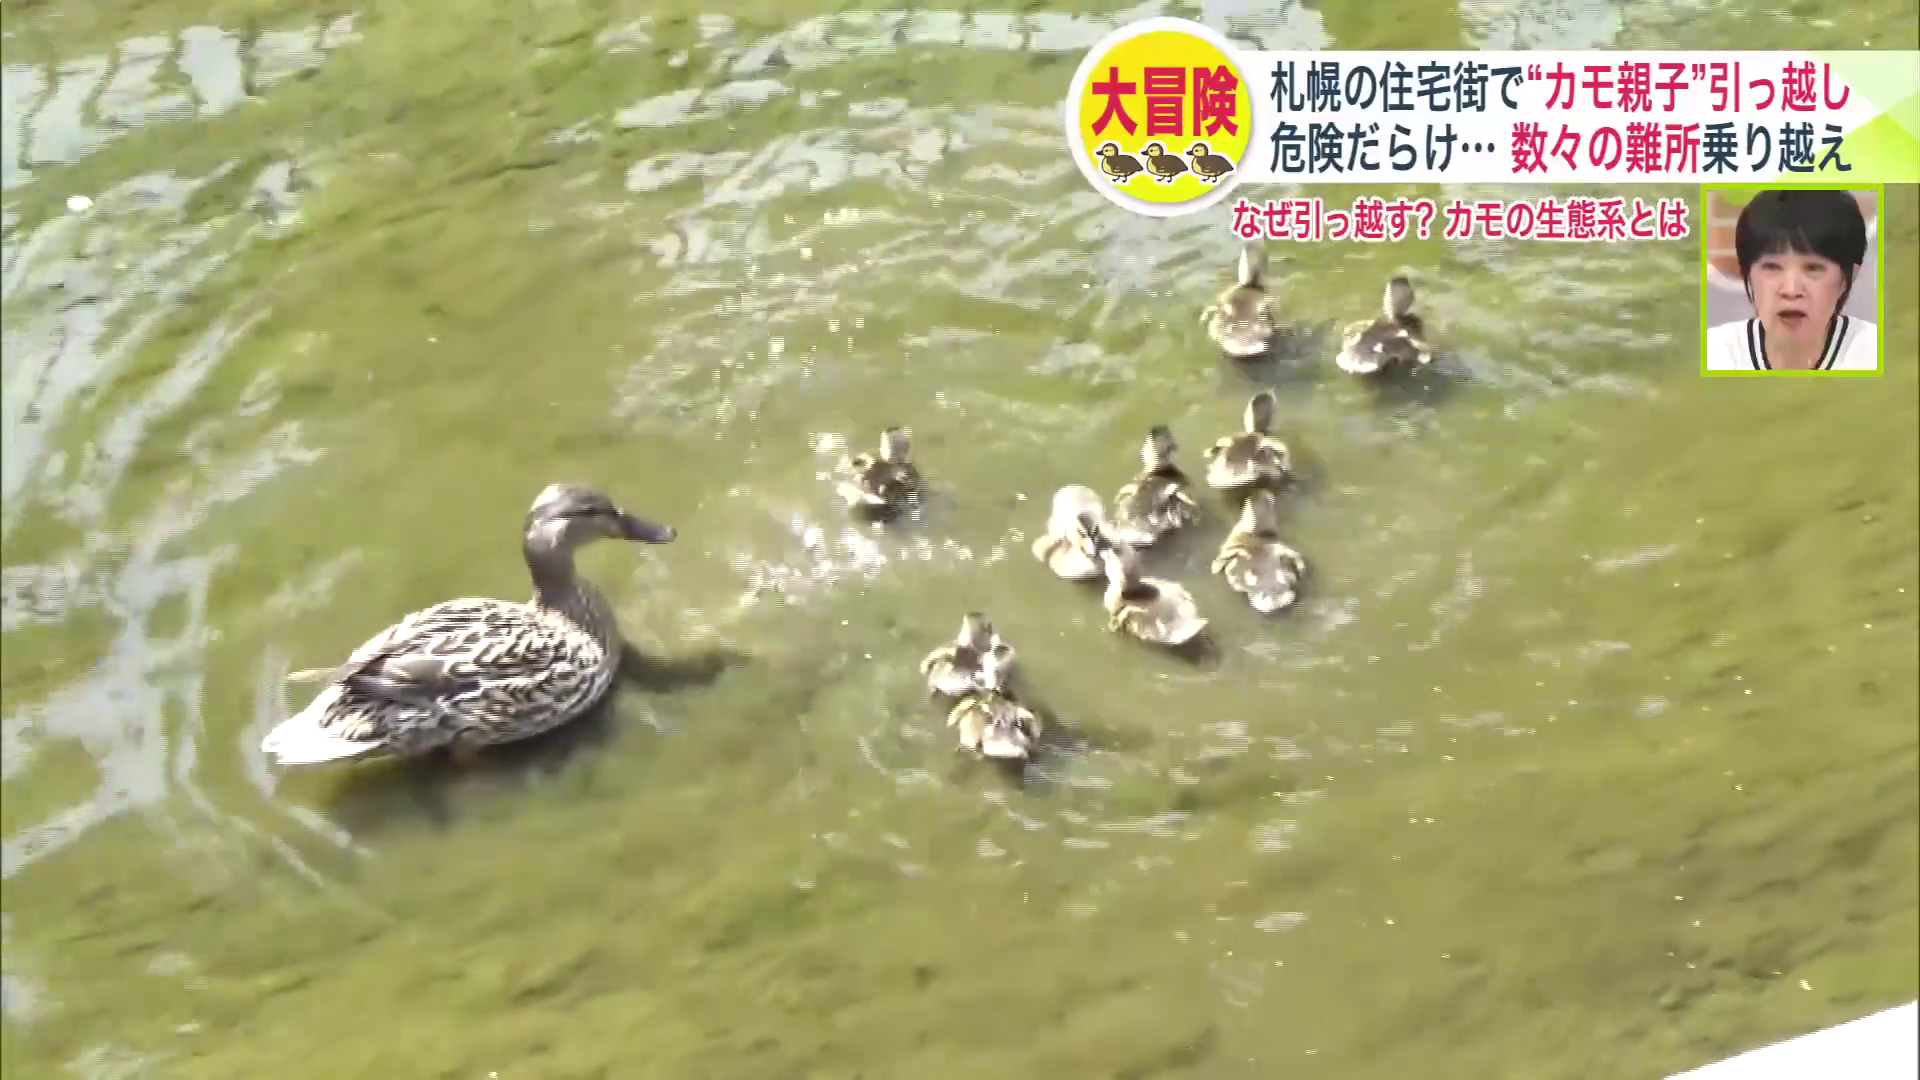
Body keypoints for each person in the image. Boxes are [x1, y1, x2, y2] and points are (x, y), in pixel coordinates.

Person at [1706, 189, 1878, 372]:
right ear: (1748, 273)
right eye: (1771, 267)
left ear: (1848, 277)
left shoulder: (1876, 352)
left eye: (1813, 268)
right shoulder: (1714, 353)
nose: (1791, 290)